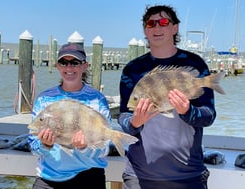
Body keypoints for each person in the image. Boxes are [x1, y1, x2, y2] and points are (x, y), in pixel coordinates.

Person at [118, 5, 215, 189]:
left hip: (188, 177)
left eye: (163, 22)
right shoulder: (132, 70)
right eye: (151, 23)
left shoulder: (195, 65)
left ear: (175, 28)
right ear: (145, 30)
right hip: (139, 176)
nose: (157, 28)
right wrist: (135, 122)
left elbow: (209, 115)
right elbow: (123, 116)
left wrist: (188, 111)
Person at [28, 43, 111, 189]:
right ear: (58, 66)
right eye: (63, 62)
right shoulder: (44, 99)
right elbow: (33, 146)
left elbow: (105, 147)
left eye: (74, 62)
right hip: (49, 178)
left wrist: (85, 147)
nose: (69, 67)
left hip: (89, 177)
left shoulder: (97, 99)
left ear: (85, 66)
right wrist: (45, 145)